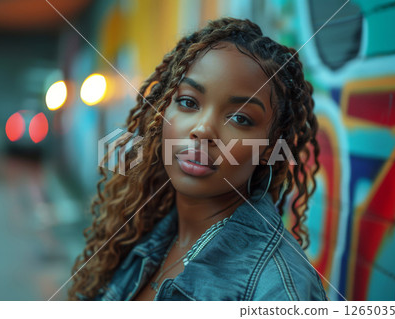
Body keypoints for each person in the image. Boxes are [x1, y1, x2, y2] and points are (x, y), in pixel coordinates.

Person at [68, 17, 328, 301]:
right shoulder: (141, 233)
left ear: (269, 147)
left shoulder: (278, 290)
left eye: (240, 118)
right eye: (189, 102)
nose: (203, 129)